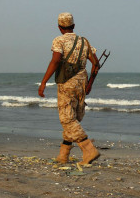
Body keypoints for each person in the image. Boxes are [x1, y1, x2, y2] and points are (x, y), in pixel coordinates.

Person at [38, 12, 100, 165]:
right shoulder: (84, 41)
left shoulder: (59, 40)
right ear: (73, 26)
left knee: (66, 118)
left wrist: (44, 82)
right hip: (82, 82)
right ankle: (63, 155)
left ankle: (88, 149)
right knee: (74, 116)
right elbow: (96, 64)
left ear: (59, 27)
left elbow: (56, 61)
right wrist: (90, 83)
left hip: (66, 83)